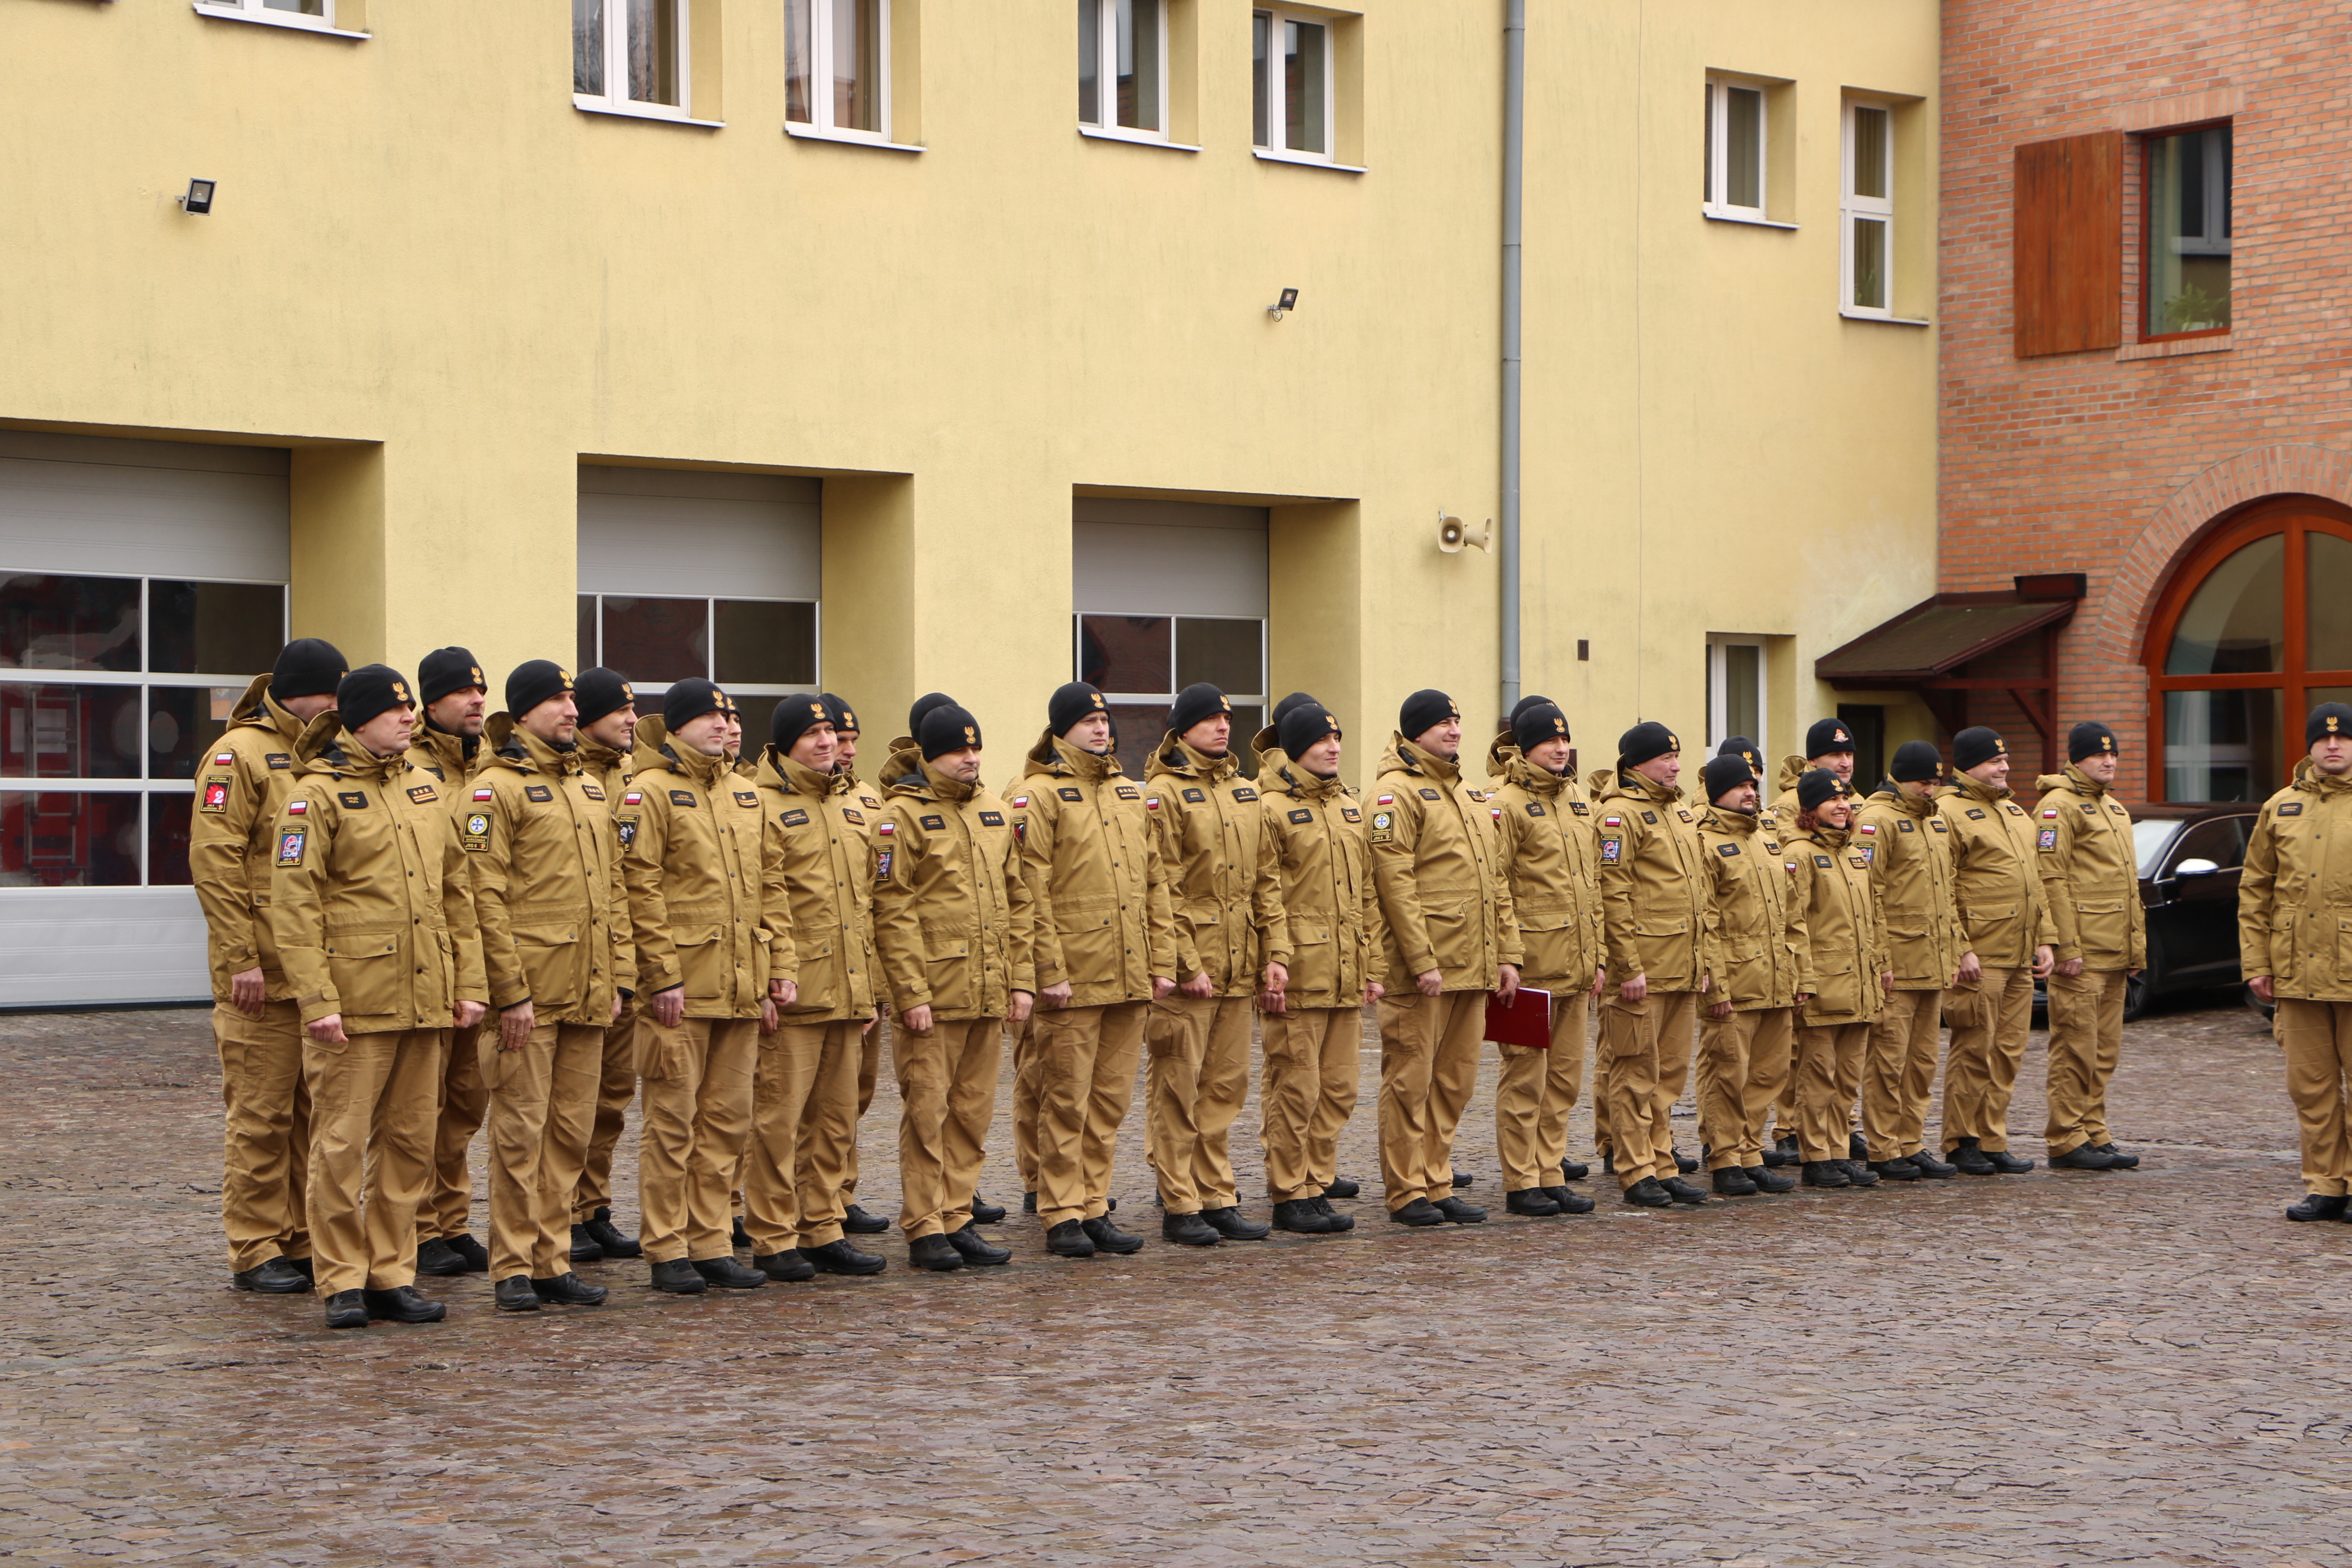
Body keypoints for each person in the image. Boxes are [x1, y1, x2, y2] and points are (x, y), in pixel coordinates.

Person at [268, 665, 487, 1328]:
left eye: (410, 708)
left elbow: (457, 892)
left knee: (410, 1142)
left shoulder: (425, 787)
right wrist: (316, 999)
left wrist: (469, 983)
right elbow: (294, 904)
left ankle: (392, 1273)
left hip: (426, 999)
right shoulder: (315, 795)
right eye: (395, 710)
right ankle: (341, 1279)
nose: (408, 718)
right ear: (359, 720)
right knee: (340, 1146)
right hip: (356, 1003)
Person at [466, 661, 630, 1313]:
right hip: (529, 999)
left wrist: (616, 976)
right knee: (519, 1135)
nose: (571, 709)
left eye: (572, 699)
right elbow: (483, 898)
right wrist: (509, 993)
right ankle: (511, 1266)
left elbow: (613, 890)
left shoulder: (587, 787)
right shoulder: (494, 790)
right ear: (524, 713)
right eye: (557, 700)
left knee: (568, 1134)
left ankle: (551, 1260)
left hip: (586, 993)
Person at [191, 636, 345, 1294]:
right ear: (301, 693)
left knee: (311, 1117)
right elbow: (214, 861)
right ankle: (255, 1247)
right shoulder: (239, 755)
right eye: (331, 695)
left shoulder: (322, 754)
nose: (338, 708)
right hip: (260, 975)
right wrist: (240, 960)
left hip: (312, 975)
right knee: (261, 1117)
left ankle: (300, 1238)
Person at [617, 679, 780, 1293]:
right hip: (681, 990)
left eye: (726, 714)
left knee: (726, 1123)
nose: (722, 724)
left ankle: (710, 1240)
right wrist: (660, 975)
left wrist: (777, 969)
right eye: (707, 715)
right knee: (672, 1123)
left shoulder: (745, 793)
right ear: (677, 727)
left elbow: (771, 886)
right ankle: (667, 1246)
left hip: (740, 984)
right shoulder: (649, 792)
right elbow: (638, 888)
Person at [1010, 683, 1175, 1256]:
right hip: (1073, 979)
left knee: (1108, 1102)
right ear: (1061, 730)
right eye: (1087, 721)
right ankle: (1061, 1211)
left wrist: (1161, 960)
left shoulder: (1128, 792)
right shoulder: (1038, 795)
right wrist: (1047, 969)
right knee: (1065, 1099)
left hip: (1127, 974)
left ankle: (1095, 1204)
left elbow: (1155, 881)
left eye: (1104, 719)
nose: (1101, 728)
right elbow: (1029, 889)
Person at [872, 703, 1037, 1266]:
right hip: (935, 995)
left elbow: (1017, 899)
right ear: (930, 756)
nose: (970, 759)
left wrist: (1021, 982)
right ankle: (925, 1226)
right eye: (958, 751)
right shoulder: (902, 817)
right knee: (928, 1114)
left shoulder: (993, 812)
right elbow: (891, 910)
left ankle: (958, 1215)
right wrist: (910, 994)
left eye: (976, 748)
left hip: (987, 990)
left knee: (971, 1113)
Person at [741, 697, 886, 1280]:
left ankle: (823, 1226)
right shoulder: (760, 804)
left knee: (835, 1120)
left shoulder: (854, 803)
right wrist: (768, 981)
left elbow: (872, 903)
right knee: (778, 1123)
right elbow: (759, 900)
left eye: (831, 732)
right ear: (785, 743)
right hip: (795, 993)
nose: (828, 742)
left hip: (849, 989)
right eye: (814, 733)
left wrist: (872, 987)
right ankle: (774, 1234)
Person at [1144, 684, 1290, 1245]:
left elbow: (1266, 881)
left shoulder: (1244, 791)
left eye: (1226, 718)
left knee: (1224, 1088)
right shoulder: (1164, 793)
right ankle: (1179, 1202)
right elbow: (1163, 886)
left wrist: (1274, 953)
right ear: (1181, 730)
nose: (1222, 727)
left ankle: (1217, 1195)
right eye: (1208, 719)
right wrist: (1185, 963)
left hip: (1237, 965)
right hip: (1194, 968)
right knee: (1178, 1088)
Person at [1369, 689, 1521, 1225]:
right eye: (1442, 724)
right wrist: (1421, 960)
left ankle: (1437, 1179)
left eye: (1457, 722)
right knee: (1410, 1082)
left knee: (1454, 1083)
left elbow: (1495, 882)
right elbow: (1395, 885)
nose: (1455, 730)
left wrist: (1507, 954)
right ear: (1416, 732)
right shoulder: (1395, 793)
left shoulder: (1469, 794)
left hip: (1472, 965)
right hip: (1425, 972)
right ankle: (1406, 1189)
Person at [1256, 702, 1384, 1234]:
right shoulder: (1270, 808)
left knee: (1338, 1088)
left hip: (1345, 971)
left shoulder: (1348, 805)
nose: (1334, 747)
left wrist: (1373, 965)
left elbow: (1367, 892)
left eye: (1337, 738)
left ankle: (1318, 1181)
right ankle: (1290, 1191)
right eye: (1321, 740)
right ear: (1295, 748)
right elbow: (1265, 893)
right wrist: (1275, 959)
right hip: (1301, 972)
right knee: (1296, 1088)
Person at [1485, 698, 1602, 1216]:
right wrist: (1507, 956)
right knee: (1525, 1077)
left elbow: (1593, 884)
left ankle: (1550, 1171)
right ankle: (1521, 1179)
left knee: (1563, 1080)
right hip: (1531, 967)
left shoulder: (1576, 800)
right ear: (1526, 748)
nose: (1561, 749)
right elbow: (1497, 886)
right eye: (1550, 741)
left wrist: (1598, 957)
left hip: (1575, 966)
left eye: (1565, 740)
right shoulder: (1506, 804)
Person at [1591, 721, 1710, 1208]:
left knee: (1667, 1077)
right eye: (1666, 758)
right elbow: (1613, 894)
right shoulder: (1618, 815)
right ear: (1638, 763)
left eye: (1677, 757)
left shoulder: (1677, 811)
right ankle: (1635, 1169)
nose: (1676, 766)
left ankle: (1662, 1163)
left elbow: (1698, 893)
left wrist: (1701, 959)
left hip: (1681, 965)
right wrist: (1627, 966)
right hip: (1644, 969)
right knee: (1635, 1073)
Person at [2243, 703, 2352, 1219]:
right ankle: (2326, 1185)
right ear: (2308, 746)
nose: (2333, 745)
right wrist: (2256, 964)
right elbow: (2255, 890)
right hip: (2296, 971)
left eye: (2343, 738)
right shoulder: (2280, 807)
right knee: (2311, 1086)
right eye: (2323, 739)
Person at [406, 647, 495, 1278]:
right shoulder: (410, 768)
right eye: (464, 692)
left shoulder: (490, 765)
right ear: (431, 702)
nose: (477, 701)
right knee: (420, 1105)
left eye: (481, 691)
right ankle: (417, 1227)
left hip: (483, 958)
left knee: (465, 1102)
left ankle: (451, 1219)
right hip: (429, 956)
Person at [1935, 727, 2053, 1175]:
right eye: (1994, 761)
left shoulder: (2013, 810)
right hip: (1981, 955)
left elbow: (2035, 882)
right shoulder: (1948, 811)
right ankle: (1961, 1140)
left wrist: (2045, 938)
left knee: (2007, 1052)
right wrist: (1960, 949)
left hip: (2019, 952)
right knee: (1974, 1049)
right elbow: (1942, 888)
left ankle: (1992, 1138)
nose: (2005, 767)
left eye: (2005, 760)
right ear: (1969, 765)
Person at [1853, 740, 1972, 1181]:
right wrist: (1880, 958)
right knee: (1888, 1061)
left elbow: (1947, 892)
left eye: (1935, 782)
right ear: (1900, 778)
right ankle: (1883, 1148)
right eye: (1923, 782)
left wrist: (1955, 949)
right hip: (1898, 965)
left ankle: (1912, 1143)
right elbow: (1867, 894)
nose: (1930, 789)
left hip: (1932, 963)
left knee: (1921, 1062)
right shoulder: (1876, 820)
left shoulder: (1935, 820)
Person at [2035, 721, 2147, 1171]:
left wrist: (2136, 949)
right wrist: (2065, 945)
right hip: (2083, 953)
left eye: (2113, 754)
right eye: (2099, 754)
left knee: (2103, 1051)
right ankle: (2066, 1136)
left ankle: (2093, 1130)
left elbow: (2128, 886)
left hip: (2114, 950)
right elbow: (2051, 878)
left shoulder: (2114, 808)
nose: (2109, 761)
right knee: (2074, 1048)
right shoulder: (2057, 806)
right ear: (2076, 759)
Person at [1694, 751, 1804, 1197]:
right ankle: (1724, 1158)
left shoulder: (1766, 840)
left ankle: (1750, 1152)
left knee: (1767, 1074)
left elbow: (1792, 916)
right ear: (1719, 792)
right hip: (1736, 982)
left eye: (1752, 787)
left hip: (1775, 980)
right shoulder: (1705, 843)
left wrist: (1800, 976)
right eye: (1740, 786)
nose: (1750, 793)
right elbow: (1705, 922)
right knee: (1729, 1075)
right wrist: (1716, 985)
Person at [566, 667, 646, 1262]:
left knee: (612, 1097)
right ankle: (562, 1212)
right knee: (571, 1099)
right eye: (620, 710)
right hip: (576, 960)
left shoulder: (633, 774)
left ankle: (593, 1206)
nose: (632, 719)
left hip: (627, 957)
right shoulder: (573, 776)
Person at [818, 692, 904, 1236]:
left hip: (864, 973)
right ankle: (804, 1200)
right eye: (838, 740)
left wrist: (882, 984)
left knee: (855, 1093)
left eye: (852, 741)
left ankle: (840, 1192)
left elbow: (881, 896)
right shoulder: (769, 798)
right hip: (815, 974)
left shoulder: (869, 800)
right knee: (807, 1100)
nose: (846, 750)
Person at [1783, 770, 1889, 1190]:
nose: (1843, 805)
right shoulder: (1801, 853)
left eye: (1844, 798)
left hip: (1859, 984)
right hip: (1824, 986)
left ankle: (1839, 1151)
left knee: (1846, 1078)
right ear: (1810, 809)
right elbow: (1793, 922)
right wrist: (1803, 979)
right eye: (1832, 800)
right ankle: (1816, 1155)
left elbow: (1873, 917)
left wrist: (1880, 966)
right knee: (1819, 1076)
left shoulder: (1855, 853)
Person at [1766, 718, 1858, 1165]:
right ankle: (1792, 1129)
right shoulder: (1790, 807)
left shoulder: (1853, 805)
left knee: (1844, 1065)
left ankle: (1839, 1134)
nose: (1844, 762)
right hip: (1816, 953)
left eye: (1849, 754)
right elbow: (1792, 892)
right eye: (1835, 755)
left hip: (1848, 954)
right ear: (1814, 759)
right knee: (1801, 1053)